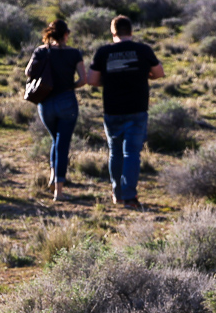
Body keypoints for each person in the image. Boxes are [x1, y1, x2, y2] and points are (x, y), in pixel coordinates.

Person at [87, 15, 164, 208]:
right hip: (137, 108)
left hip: (112, 109)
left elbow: (92, 79)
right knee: (131, 153)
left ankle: (117, 194)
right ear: (131, 31)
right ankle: (130, 197)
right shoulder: (143, 50)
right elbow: (159, 73)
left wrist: (109, 79)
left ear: (113, 32)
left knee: (115, 152)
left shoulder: (103, 52)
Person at [26, 19, 86, 201]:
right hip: (67, 100)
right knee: (62, 143)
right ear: (66, 34)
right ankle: (59, 191)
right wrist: (70, 86)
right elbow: (83, 79)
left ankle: (53, 178)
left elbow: (28, 72)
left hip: (45, 102)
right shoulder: (75, 53)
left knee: (56, 140)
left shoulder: (41, 51)